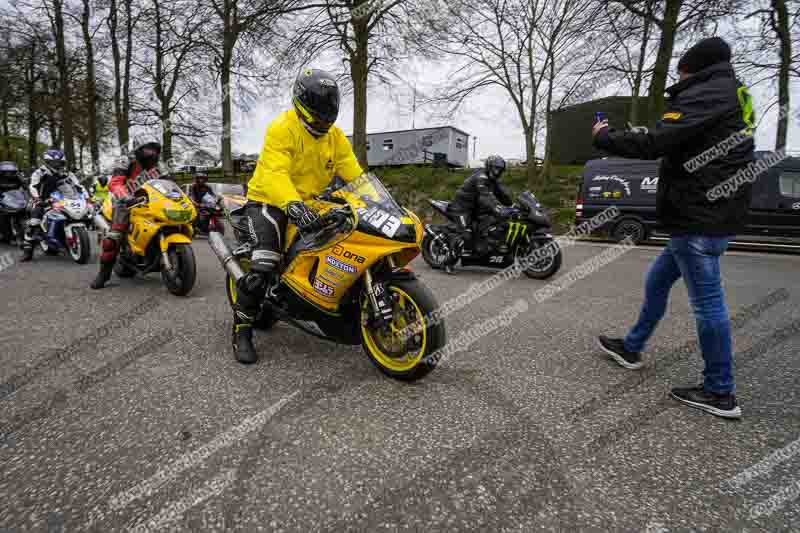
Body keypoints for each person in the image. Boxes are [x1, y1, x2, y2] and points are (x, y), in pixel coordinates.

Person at [592, 37, 755, 419]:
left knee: (707, 303)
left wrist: (605, 137)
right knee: (658, 279)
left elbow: (656, 141)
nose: (678, 79)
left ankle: (720, 391)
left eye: (681, 72)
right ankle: (631, 347)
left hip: (699, 214)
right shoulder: (733, 91)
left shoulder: (709, 92)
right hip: (711, 211)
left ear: (692, 69)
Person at [231, 67, 364, 364]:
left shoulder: (335, 136)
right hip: (269, 201)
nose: (324, 120)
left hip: (309, 202)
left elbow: (353, 173)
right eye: (319, 113)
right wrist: (291, 204)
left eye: (329, 112)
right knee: (265, 264)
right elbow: (275, 172)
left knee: (345, 238)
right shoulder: (282, 128)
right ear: (302, 105)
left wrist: (373, 197)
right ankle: (241, 330)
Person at [90, 137, 162, 289]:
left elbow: (170, 184)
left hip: (150, 200)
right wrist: (126, 197)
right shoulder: (125, 160)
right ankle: (103, 275)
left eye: (155, 150)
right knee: (113, 238)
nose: (152, 153)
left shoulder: (158, 167)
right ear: (139, 149)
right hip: (123, 201)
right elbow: (115, 183)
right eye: (148, 149)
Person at [443, 155, 513, 274]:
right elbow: (486, 197)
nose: (498, 172)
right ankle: (448, 262)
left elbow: (502, 195)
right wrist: (498, 208)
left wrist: (513, 205)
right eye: (496, 169)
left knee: (489, 225)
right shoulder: (481, 177)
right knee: (466, 235)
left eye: (500, 170)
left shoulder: (492, 181)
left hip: (476, 209)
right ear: (489, 167)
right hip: (462, 208)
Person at [21, 149, 87, 262]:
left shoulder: (67, 173)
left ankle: (65, 238)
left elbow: (78, 185)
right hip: (43, 199)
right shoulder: (39, 172)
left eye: (59, 162)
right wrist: (37, 198)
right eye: (54, 162)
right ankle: (28, 251)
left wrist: (86, 195)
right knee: (34, 221)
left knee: (82, 213)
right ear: (47, 162)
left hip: (62, 199)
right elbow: (33, 186)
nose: (57, 165)